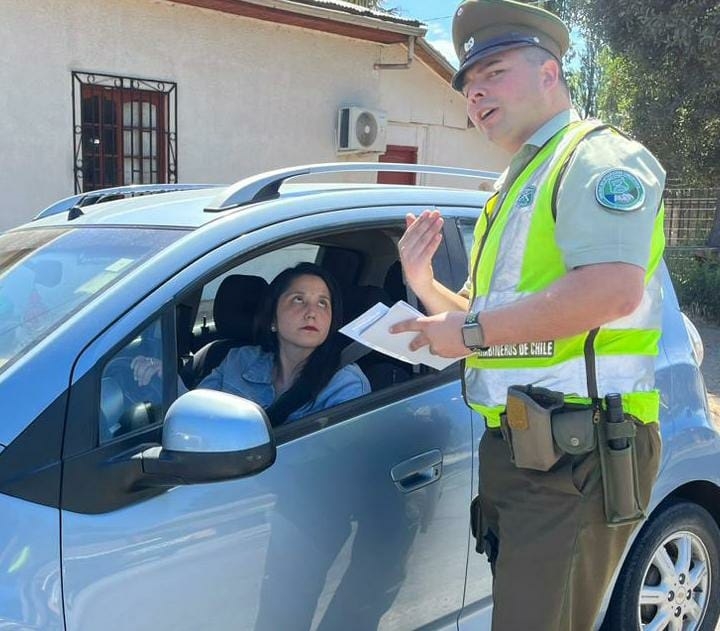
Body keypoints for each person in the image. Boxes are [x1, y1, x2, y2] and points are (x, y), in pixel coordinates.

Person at [391, 0, 666, 628]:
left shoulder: (593, 158)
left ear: (550, 74)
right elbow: (488, 321)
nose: (476, 94)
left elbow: (611, 292)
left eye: (495, 73)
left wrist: (466, 330)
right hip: (526, 454)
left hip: (578, 453)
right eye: (468, 84)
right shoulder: (516, 183)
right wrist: (424, 283)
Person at [133, 262, 370, 426]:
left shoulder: (345, 383)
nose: (311, 313)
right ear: (273, 319)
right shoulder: (237, 360)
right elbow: (197, 417)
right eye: (298, 300)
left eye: (322, 303)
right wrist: (165, 379)